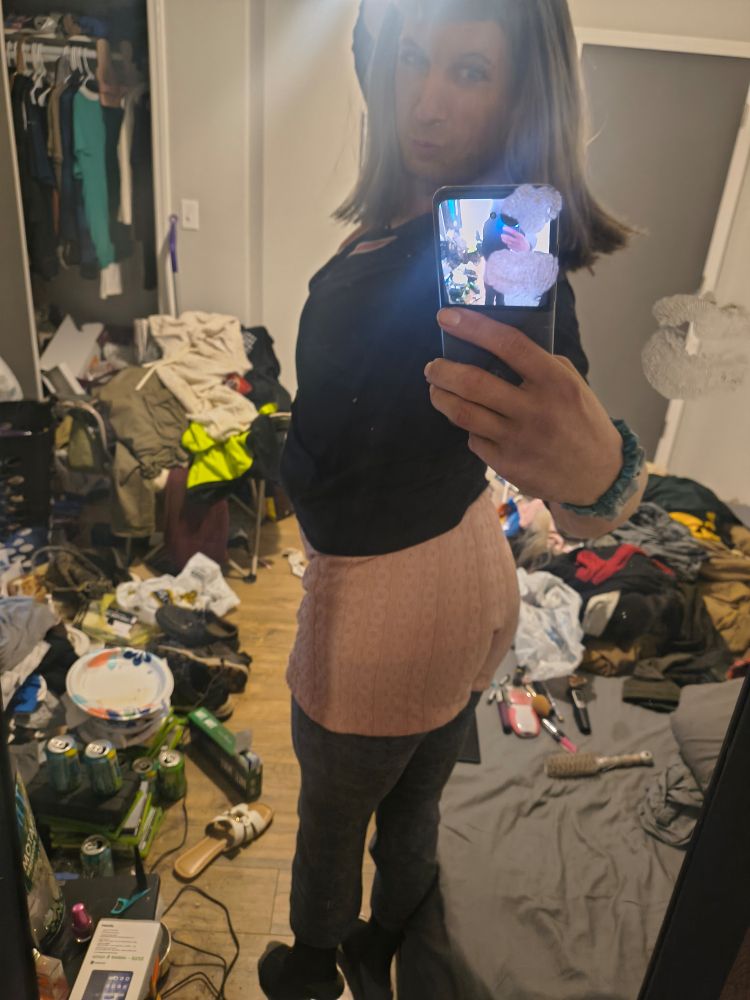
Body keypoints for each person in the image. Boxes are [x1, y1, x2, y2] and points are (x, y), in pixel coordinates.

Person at [258, 2, 644, 998]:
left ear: (522, 96)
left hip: (384, 605)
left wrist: (607, 475)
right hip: (472, 575)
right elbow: (369, 41)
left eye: (470, 73)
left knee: (332, 820)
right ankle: (386, 939)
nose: (424, 101)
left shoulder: (496, 236)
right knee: (416, 798)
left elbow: (578, 459)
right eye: (413, 60)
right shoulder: (413, 200)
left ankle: (312, 967)